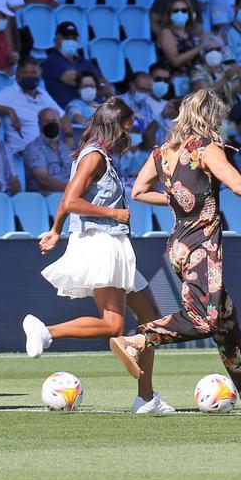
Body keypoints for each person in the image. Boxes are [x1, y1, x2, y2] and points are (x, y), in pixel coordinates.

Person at [110, 90, 241, 413]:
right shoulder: (205, 148)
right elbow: (239, 184)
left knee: (225, 318)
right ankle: (138, 340)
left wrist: (178, 196)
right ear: (210, 117)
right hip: (203, 245)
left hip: (178, 243)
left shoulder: (162, 152)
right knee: (204, 320)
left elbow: (140, 192)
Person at [20, 97, 174, 413]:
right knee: (113, 325)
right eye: (128, 128)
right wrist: (112, 213)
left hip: (110, 241)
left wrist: (55, 230)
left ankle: (146, 398)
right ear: (115, 126)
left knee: (150, 319)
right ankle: (47, 332)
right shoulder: (94, 157)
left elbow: (68, 200)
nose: (130, 135)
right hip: (101, 241)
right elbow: (71, 198)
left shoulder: (100, 154)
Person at [0, 58, 65, 154]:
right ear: (18, 75)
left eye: (34, 72)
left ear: (40, 74)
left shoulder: (43, 94)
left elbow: (63, 116)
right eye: (25, 73)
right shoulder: (9, 92)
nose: (30, 76)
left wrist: (69, 137)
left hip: (49, 150)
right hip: (24, 154)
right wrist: (9, 110)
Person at [23, 108, 71, 193]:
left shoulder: (64, 147)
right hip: (47, 195)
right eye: (47, 122)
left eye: (54, 121)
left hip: (70, 193)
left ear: (59, 123)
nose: (51, 125)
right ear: (39, 125)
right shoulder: (33, 148)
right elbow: (43, 179)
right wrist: (70, 192)